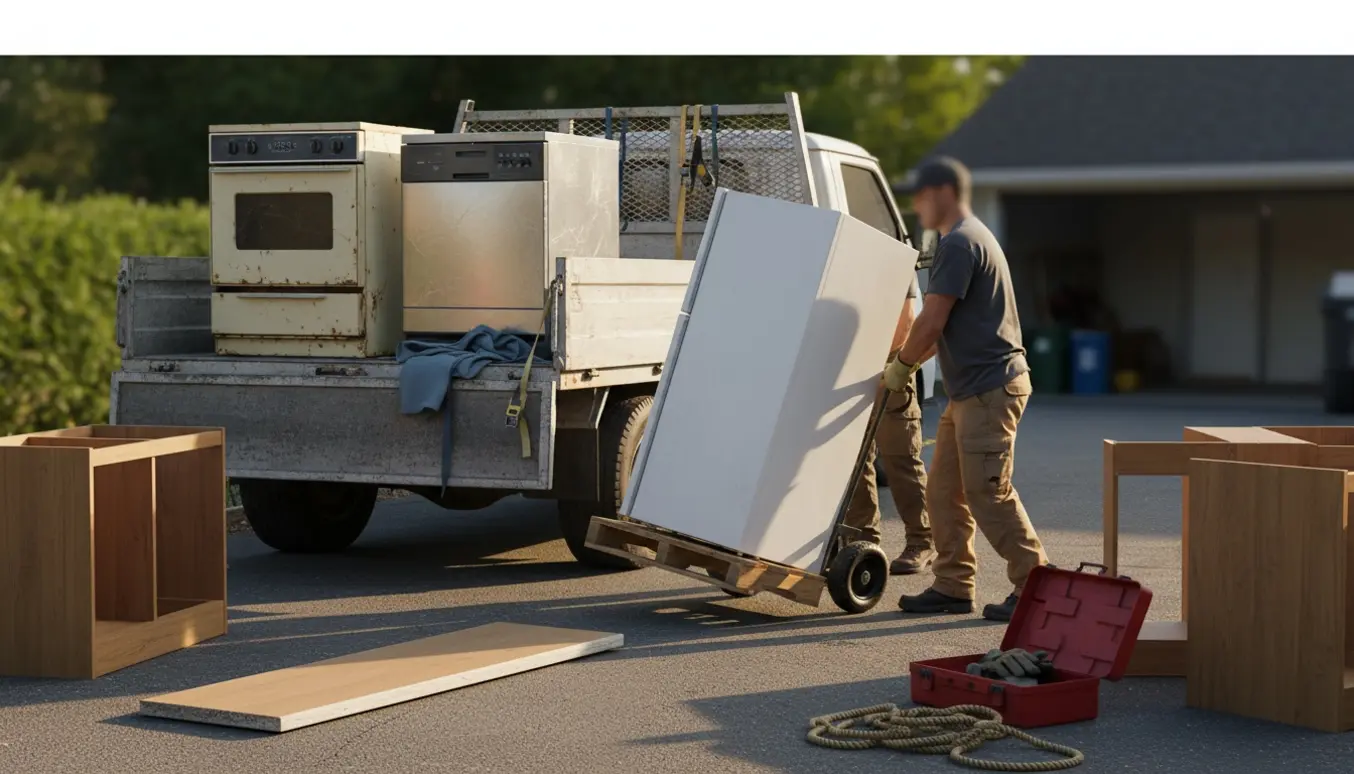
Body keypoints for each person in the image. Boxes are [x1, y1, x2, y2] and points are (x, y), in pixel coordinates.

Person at [883, 156, 1047, 622]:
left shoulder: (958, 243)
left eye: (919, 198)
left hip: (989, 391)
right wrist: (905, 360)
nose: (917, 208)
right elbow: (947, 328)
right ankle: (953, 585)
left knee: (989, 492)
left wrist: (900, 367)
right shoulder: (970, 237)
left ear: (942, 193)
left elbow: (931, 322)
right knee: (944, 492)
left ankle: (1035, 587)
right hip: (971, 392)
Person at [842, 274, 935, 576]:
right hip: (849, 366)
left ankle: (922, 541)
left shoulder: (893, 257)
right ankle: (862, 541)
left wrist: (888, 364)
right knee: (855, 463)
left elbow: (906, 320)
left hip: (889, 364)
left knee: (901, 459)